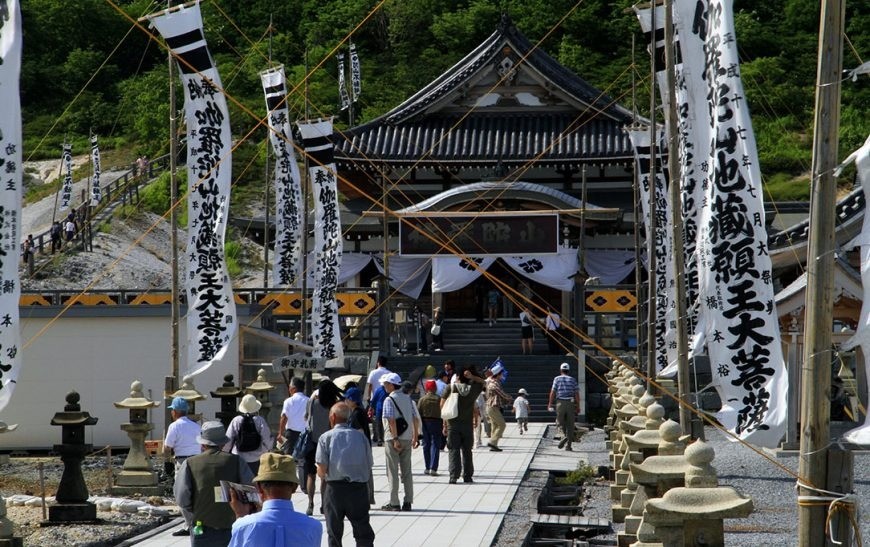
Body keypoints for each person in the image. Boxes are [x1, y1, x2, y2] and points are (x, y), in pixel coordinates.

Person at [174, 421, 254, 546]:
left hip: (202, 525)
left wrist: (196, 510)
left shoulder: (190, 463)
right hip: (232, 525)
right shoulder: (237, 461)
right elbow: (250, 489)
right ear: (223, 443)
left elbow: (182, 497)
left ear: (203, 443)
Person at [228, 453, 321, 547]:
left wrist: (240, 516)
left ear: (259, 488)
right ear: (294, 488)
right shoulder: (314, 526)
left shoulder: (242, 525)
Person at [316, 402, 375, 547]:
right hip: (358, 489)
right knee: (363, 531)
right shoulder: (361, 437)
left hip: (334, 489)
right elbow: (369, 464)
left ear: (333, 417)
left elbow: (322, 469)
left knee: (334, 533)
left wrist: (323, 473)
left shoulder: (325, 437)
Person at [381, 373, 420, 511]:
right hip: (407, 437)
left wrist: (395, 438)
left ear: (392, 385)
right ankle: (408, 501)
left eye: (386, 384)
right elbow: (415, 418)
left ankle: (394, 502)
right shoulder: (408, 398)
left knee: (392, 471)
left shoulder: (389, 400)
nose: (384, 386)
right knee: (407, 471)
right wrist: (415, 436)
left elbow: (391, 421)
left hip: (393, 439)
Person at [441, 366, 486, 484]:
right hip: (467, 425)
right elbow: (484, 382)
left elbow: (442, 406)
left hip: (453, 424)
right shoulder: (473, 390)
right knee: (467, 451)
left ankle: (453, 476)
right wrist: (473, 377)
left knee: (453, 450)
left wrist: (444, 423)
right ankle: (467, 475)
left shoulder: (450, 388)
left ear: (458, 376)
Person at [303, 379, 342, 516]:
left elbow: (306, 418)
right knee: (324, 476)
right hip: (327, 442)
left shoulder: (312, 401)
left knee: (311, 475)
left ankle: (310, 503)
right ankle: (324, 504)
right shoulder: (333, 404)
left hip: (312, 442)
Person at [224, 394, 273, 475]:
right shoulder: (260, 420)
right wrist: (267, 450)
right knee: (255, 480)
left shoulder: (236, 420)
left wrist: (225, 453)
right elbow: (266, 438)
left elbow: (228, 440)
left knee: (239, 480)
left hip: (239, 457)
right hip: (256, 458)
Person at [344, 386, 375, 505]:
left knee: (363, 474)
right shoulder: (359, 411)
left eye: (347, 399)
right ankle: (368, 498)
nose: (346, 401)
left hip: (360, 448)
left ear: (352, 400)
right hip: (364, 446)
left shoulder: (356, 414)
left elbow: (359, 432)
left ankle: (366, 498)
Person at [548, 362, 581, 451]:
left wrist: (550, 404)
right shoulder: (572, 380)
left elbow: (553, 392)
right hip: (570, 402)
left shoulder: (557, 379)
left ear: (561, 370)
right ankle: (568, 446)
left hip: (560, 402)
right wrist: (578, 406)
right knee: (570, 425)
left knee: (559, 422)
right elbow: (577, 394)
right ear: (568, 370)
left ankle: (563, 436)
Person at [484, 363, 513, 451]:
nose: (502, 375)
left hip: (493, 407)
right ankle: (492, 442)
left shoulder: (495, 382)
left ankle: (494, 445)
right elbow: (501, 393)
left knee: (495, 426)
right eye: (501, 374)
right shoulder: (493, 384)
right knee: (502, 425)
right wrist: (509, 398)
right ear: (498, 374)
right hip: (492, 407)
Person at [277, 377, 308, 456]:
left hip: (291, 434)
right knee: (303, 457)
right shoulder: (309, 400)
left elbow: (284, 417)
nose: (289, 389)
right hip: (306, 434)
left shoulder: (288, 401)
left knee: (289, 457)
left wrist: (280, 433)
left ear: (294, 388)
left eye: (290, 387)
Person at [417, 380, 442, 476]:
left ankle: (427, 467)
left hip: (425, 422)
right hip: (437, 422)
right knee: (435, 444)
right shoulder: (439, 399)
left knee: (426, 444)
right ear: (435, 388)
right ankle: (433, 468)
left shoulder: (422, 399)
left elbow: (418, 413)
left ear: (427, 389)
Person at [369, 378, 388, 447]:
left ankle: (380, 439)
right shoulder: (389, 390)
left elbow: (374, 400)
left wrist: (371, 407)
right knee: (387, 424)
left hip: (379, 409)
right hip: (387, 409)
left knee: (379, 424)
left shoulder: (379, 390)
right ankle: (386, 438)